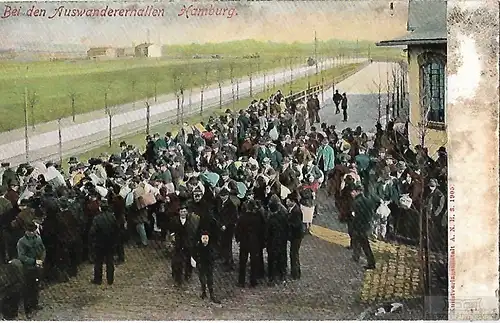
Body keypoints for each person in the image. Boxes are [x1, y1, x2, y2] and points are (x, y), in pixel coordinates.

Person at [17, 221, 45, 318]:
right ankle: (28, 309)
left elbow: (43, 249)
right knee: (27, 289)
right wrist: (34, 261)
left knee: (36, 287)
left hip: (38, 267)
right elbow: (21, 256)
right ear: (26, 231)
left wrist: (41, 260)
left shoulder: (38, 238)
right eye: (30, 231)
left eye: (33, 231)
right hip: (28, 269)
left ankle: (35, 304)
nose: (32, 232)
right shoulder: (22, 242)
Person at [89, 200, 119, 285]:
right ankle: (110, 279)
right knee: (110, 261)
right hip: (110, 242)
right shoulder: (112, 217)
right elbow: (116, 229)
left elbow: (92, 231)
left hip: (99, 243)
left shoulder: (97, 218)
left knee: (98, 262)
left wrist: (92, 241)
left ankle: (98, 279)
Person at [350, 184, 376, 270]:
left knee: (362, 244)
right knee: (363, 244)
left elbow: (354, 216)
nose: (351, 194)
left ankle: (370, 262)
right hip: (366, 226)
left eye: (353, 192)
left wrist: (353, 225)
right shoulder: (368, 201)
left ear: (357, 192)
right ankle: (356, 256)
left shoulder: (356, 202)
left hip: (358, 227)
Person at [194, 231, 220, 304]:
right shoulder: (198, 246)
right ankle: (203, 292)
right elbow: (195, 253)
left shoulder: (211, 246)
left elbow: (215, 255)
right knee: (202, 278)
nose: (205, 240)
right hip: (201, 265)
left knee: (210, 280)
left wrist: (212, 260)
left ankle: (212, 294)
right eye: (203, 238)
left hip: (209, 265)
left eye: (206, 238)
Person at [285, 193, 304, 280]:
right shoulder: (293, 209)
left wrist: (287, 223)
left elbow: (295, 225)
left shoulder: (296, 211)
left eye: (288, 200)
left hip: (296, 236)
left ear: (292, 201)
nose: (286, 201)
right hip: (296, 236)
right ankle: (295, 272)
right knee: (293, 253)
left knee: (294, 254)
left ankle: (295, 273)